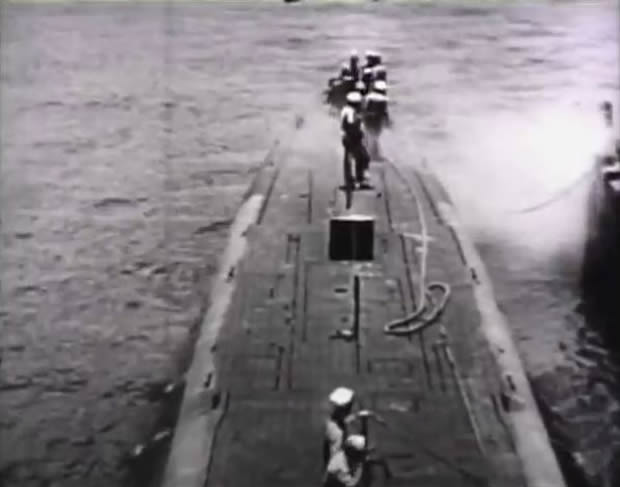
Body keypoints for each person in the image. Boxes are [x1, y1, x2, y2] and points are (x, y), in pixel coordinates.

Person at [340, 92, 370, 187]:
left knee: (353, 158)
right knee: (362, 157)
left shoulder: (346, 110)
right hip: (352, 138)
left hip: (347, 137)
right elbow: (352, 125)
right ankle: (358, 179)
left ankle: (354, 179)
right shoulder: (351, 112)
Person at [323, 387, 356, 466]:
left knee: (331, 448)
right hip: (336, 431)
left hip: (334, 428)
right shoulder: (342, 410)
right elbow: (343, 420)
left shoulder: (339, 409)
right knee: (336, 451)